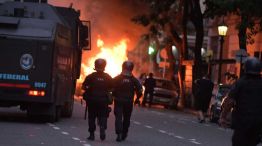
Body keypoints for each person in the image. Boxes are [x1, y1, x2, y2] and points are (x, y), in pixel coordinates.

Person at [219, 57, 262, 146]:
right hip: (258, 123)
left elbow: (230, 101)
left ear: (246, 68)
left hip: (242, 122)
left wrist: (223, 116)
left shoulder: (240, 83)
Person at [82, 58, 112, 141]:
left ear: (95, 66)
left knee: (91, 117)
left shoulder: (90, 76)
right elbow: (112, 87)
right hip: (103, 101)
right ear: (104, 66)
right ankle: (102, 128)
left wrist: (88, 89)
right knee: (103, 115)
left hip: (92, 101)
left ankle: (92, 135)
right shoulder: (108, 77)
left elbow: (83, 86)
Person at [112, 61, 143, 142]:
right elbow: (140, 91)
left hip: (118, 100)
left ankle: (119, 134)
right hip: (128, 102)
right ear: (131, 69)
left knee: (118, 117)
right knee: (126, 118)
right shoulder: (134, 80)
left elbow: (110, 87)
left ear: (123, 67)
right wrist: (137, 99)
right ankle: (124, 133)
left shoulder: (117, 78)